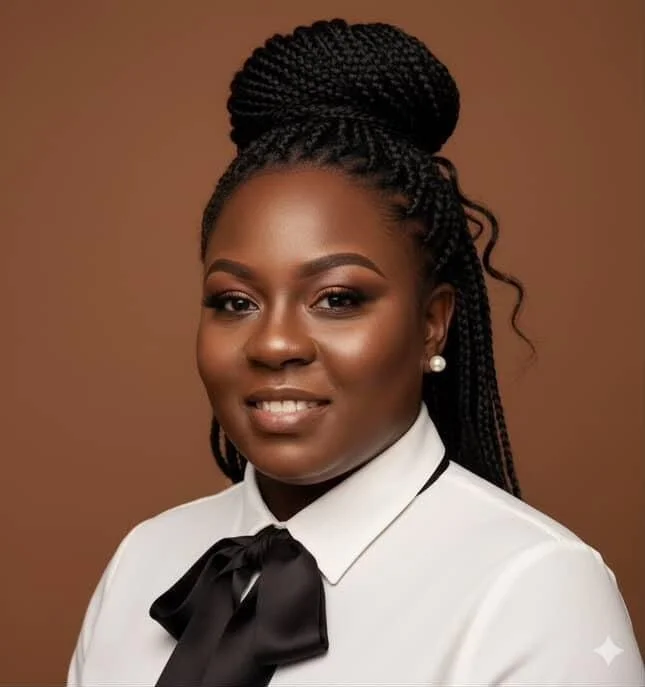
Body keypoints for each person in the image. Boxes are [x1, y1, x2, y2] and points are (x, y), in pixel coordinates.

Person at [67, 18, 644, 686]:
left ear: (432, 324)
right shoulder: (144, 559)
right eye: (235, 301)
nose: (274, 342)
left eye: (337, 298)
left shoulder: (534, 590)